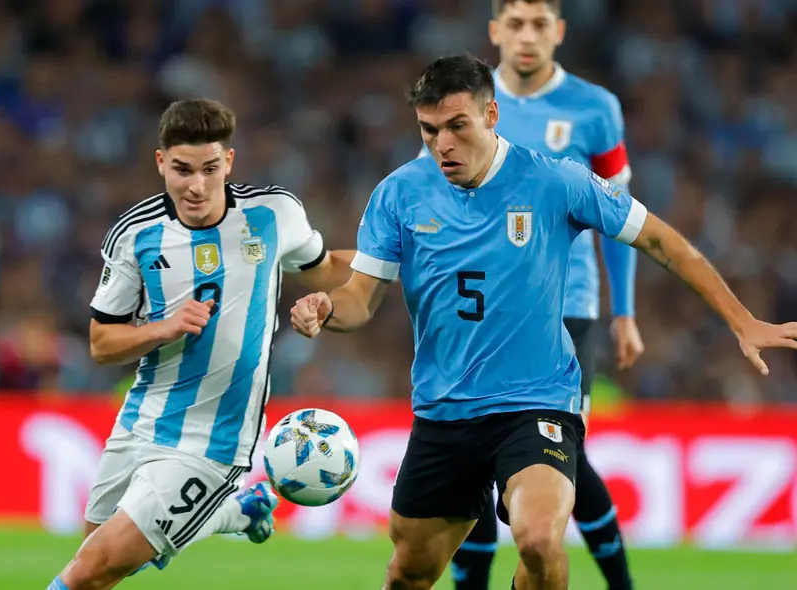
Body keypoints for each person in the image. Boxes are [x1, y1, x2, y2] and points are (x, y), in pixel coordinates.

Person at [291, 54, 797, 590]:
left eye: (457, 126)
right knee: (408, 573)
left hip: (535, 403)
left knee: (538, 540)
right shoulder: (399, 193)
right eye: (430, 130)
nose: (443, 144)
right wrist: (327, 309)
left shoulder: (554, 181)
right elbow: (361, 298)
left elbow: (659, 240)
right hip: (443, 413)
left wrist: (742, 320)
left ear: (491, 115)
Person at [47, 98, 353, 590]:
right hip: (142, 419)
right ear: (161, 163)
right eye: (183, 170)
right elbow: (102, 344)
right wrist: (161, 329)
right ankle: (237, 512)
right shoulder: (136, 234)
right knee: (101, 564)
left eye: (210, 169)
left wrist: (394, 260)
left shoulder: (273, 213)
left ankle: (230, 506)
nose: (197, 185)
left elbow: (328, 268)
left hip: (216, 440)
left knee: (89, 571)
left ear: (228, 162)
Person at [417, 1, 642, 587]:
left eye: (539, 24)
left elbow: (620, 217)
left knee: (565, 459)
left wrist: (624, 311)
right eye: (515, 23)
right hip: (480, 312)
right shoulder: (462, 106)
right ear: (495, 30)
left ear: (558, 31)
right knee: (473, 455)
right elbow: (428, 203)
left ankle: (619, 583)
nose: (526, 36)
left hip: (568, 307)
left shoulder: (595, 109)